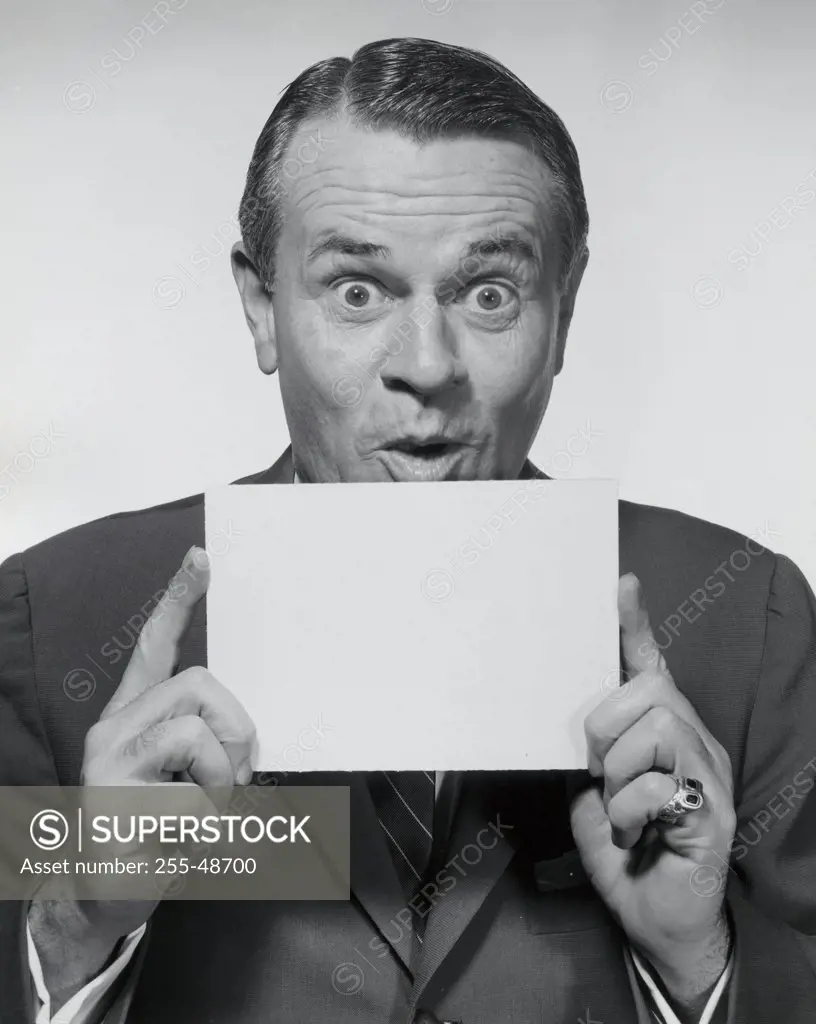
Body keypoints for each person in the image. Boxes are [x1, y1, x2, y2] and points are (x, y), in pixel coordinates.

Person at [1, 36, 815, 1024]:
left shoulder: (747, 621)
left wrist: (699, 964)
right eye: (358, 290)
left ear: (563, 314)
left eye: (488, 293)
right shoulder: (52, 625)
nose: (426, 364)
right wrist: (74, 922)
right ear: (261, 309)